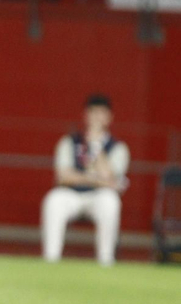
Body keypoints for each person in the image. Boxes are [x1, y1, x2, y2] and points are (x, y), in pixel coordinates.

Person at [42, 94, 129, 267]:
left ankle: (106, 260)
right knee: (53, 200)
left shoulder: (118, 148)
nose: (96, 118)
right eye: (93, 113)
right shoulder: (69, 142)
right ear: (85, 115)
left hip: (99, 196)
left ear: (109, 117)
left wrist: (96, 145)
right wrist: (94, 179)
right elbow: (63, 177)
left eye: (101, 113)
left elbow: (110, 178)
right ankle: (50, 259)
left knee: (111, 201)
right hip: (72, 194)